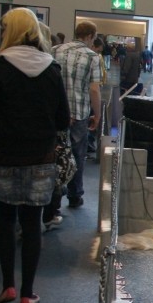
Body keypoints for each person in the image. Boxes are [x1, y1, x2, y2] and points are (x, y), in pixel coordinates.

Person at [0, 8, 70, 303]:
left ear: (9, 31)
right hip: (40, 157)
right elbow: (63, 120)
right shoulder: (51, 69)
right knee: (32, 223)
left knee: (6, 220)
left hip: (4, 156)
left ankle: (7, 286)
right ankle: (27, 293)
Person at [51, 21, 101, 209]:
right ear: (89, 36)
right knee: (77, 155)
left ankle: (54, 198)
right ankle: (74, 194)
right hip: (78, 113)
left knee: (55, 153)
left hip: (55, 112)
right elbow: (94, 89)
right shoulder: (92, 56)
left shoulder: (54, 50)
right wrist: (97, 115)